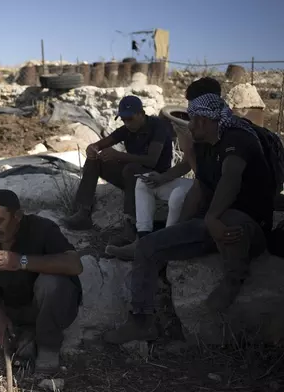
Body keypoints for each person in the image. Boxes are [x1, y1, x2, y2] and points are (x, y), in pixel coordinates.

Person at [103, 87, 275, 345]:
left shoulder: (238, 138)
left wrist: (210, 218)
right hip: (212, 224)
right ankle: (141, 321)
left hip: (249, 225)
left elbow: (231, 178)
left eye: (192, 120)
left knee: (228, 220)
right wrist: (175, 234)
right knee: (149, 246)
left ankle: (234, 277)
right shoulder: (205, 145)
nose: (188, 125)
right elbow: (200, 188)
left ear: (204, 121)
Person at [0, 189, 83, 374]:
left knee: (51, 282)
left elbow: (75, 265)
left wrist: (21, 262)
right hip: (13, 309)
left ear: (17, 216)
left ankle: (47, 347)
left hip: (48, 307)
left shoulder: (42, 229)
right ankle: (21, 340)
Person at [104, 77, 225, 260]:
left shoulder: (221, 128)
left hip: (214, 192)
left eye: (192, 104)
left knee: (177, 195)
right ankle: (142, 241)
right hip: (199, 184)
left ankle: (163, 248)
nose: (190, 109)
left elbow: (206, 178)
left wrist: (188, 148)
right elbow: (186, 165)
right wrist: (163, 177)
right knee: (144, 183)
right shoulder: (201, 125)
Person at [64, 96, 174, 245]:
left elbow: (152, 160)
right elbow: (102, 143)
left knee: (130, 168)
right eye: (123, 119)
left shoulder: (158, 127)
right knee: (95, 161)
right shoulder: (126, 129)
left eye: (130, 119)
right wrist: (93, 148)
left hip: (157, 179)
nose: (127, 123)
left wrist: (118, 155)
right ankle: (83, 212)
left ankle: (130, 225)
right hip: (132, 178)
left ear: (141, 114)